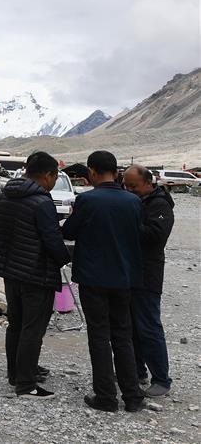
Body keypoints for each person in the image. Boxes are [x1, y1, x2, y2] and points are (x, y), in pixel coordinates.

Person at [0, 151, 71, 399]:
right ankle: (26, 384)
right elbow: (52, 239)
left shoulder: (7, 196)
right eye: (55, 177)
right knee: (33, 329)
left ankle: (17, 373)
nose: (54, 182)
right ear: (47, 175)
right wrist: (65, 258)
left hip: (11, 272)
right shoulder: (42, 202)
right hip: (36, 274)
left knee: (17, 325)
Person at [62, 150, 144, 412]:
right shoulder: (134, 201)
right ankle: (133, 396)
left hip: (93, 277)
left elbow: (68, 231)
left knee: (99, 335)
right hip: (124, 278)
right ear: (116, 171)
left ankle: (106, 396)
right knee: (123, 335)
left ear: (92, 172)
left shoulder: (87, 200)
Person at [123, 164, 174, 397]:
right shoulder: (138, 201)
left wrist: (127, 224)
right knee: (131, 326)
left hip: (147, 275)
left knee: (149, 327)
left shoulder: (160, 205)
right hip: (129, 273)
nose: (129, 190)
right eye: (126, 186)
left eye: (133, 186)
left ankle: (161, 379)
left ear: (147, 182)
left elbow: (155, 235)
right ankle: (136, 371)